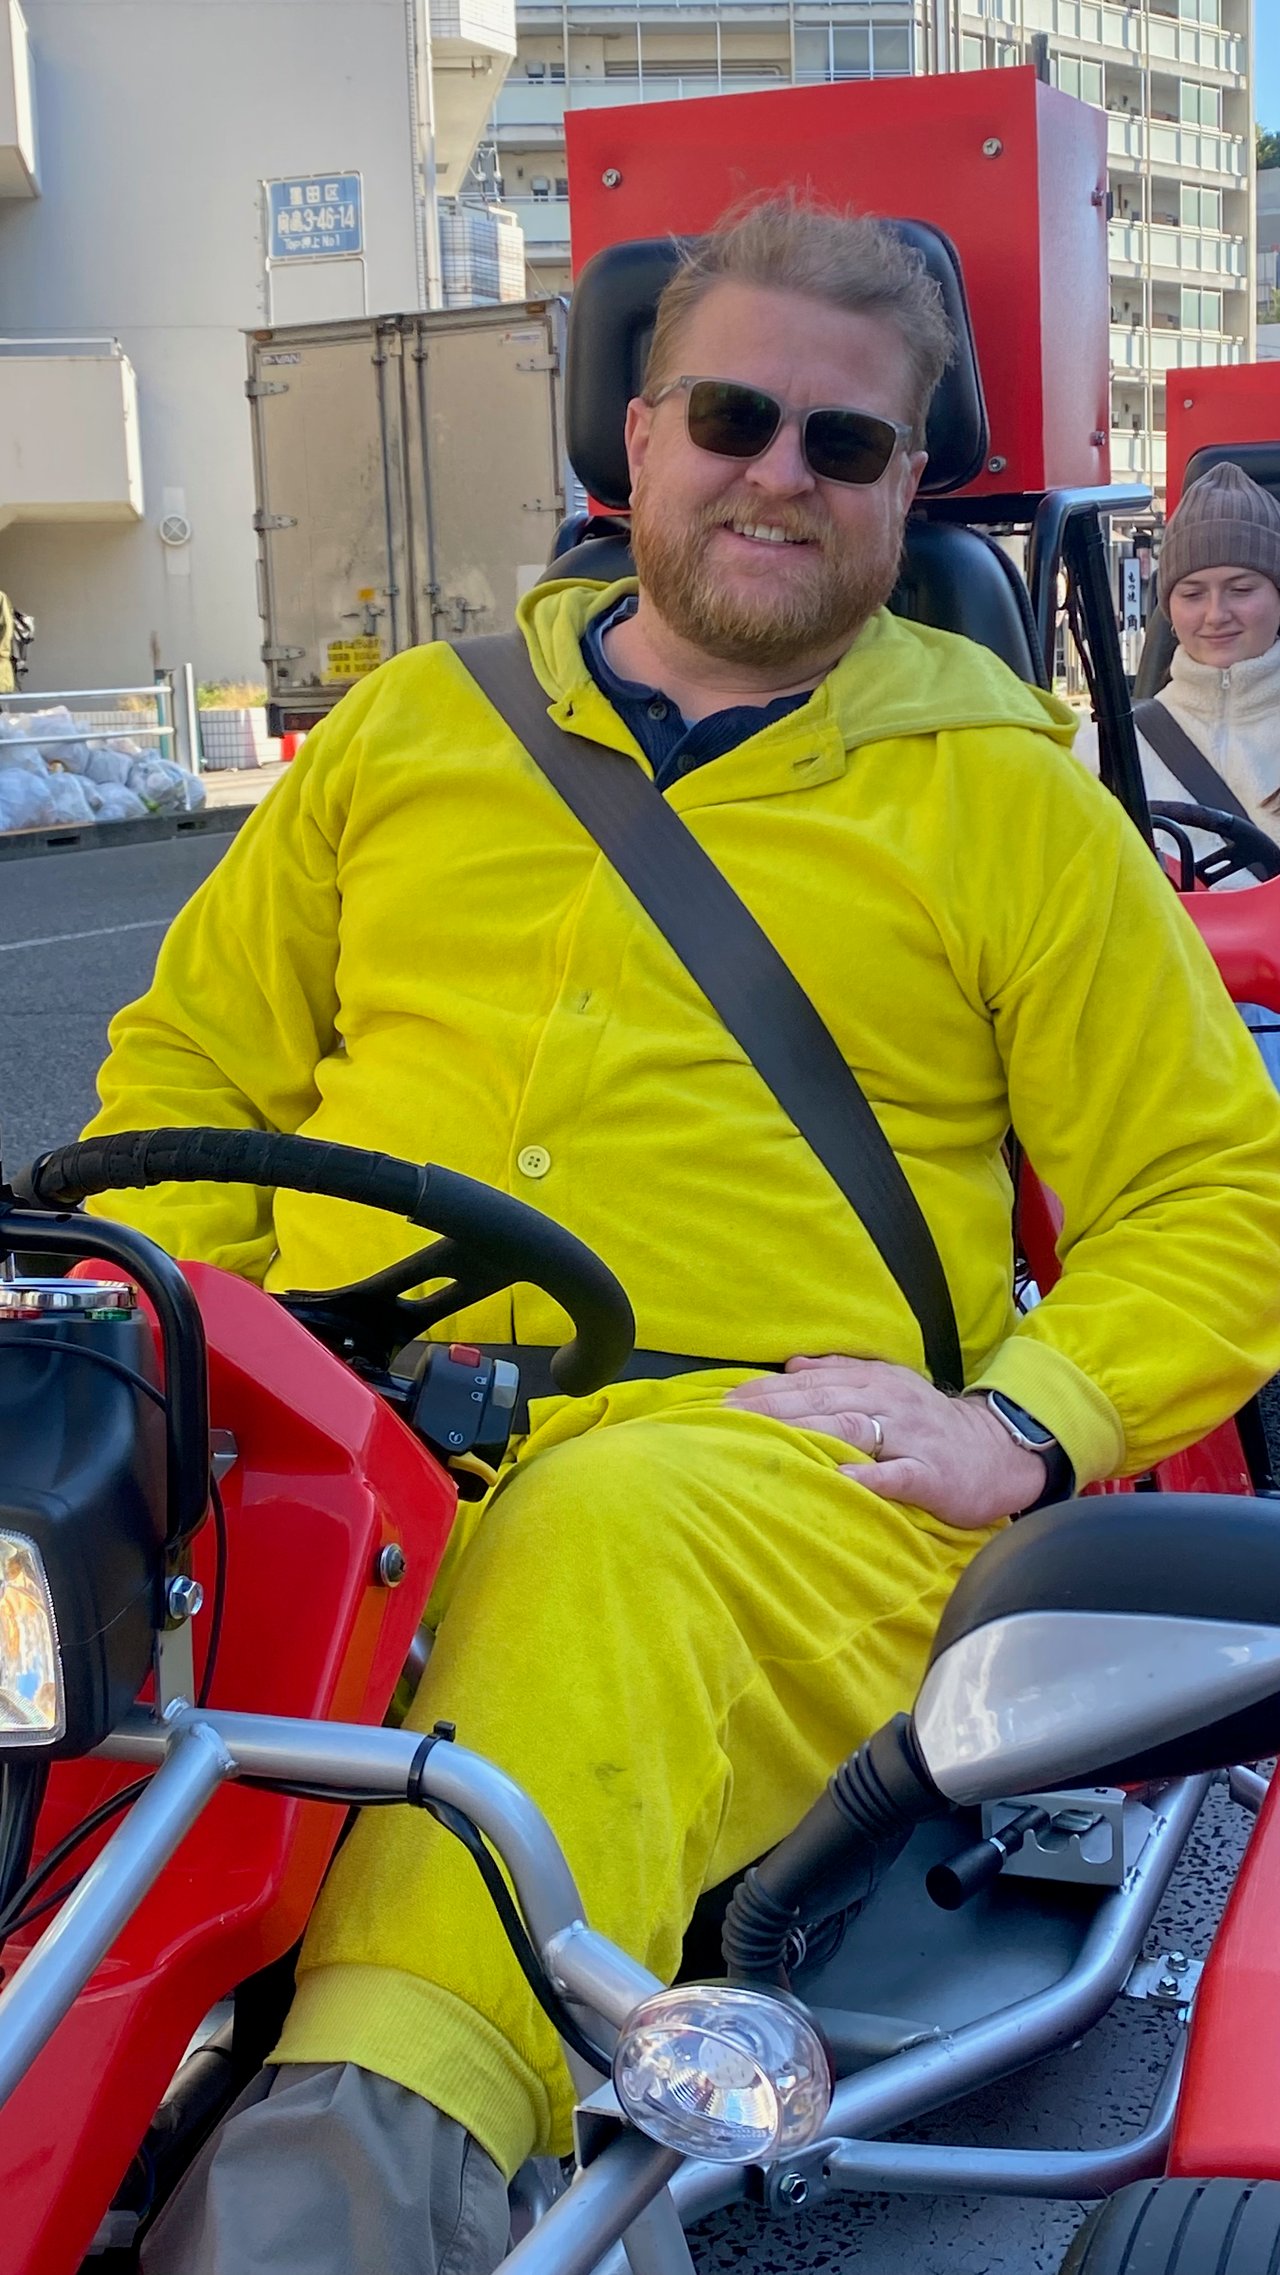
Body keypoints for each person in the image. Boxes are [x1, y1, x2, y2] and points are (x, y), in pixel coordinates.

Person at [80, 199, 1280, 2275]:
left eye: (845, 445)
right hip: (330, 1426)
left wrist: (1027, 1421)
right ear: (632, 439)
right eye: (732, 416)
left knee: (596, 1536)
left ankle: (355, 2192)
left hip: (757, 1460)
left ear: (909, 488)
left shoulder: (1008, 801)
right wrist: (187, 1341)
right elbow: (190, 1074)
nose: (776, 475)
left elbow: (1216, 1187)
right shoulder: (403, 737)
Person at [1076, 461, 1280, 1079]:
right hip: (1159, 1052)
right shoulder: (1100, 748)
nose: (1216, 613)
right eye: (1192, 593)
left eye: (1242, 587)